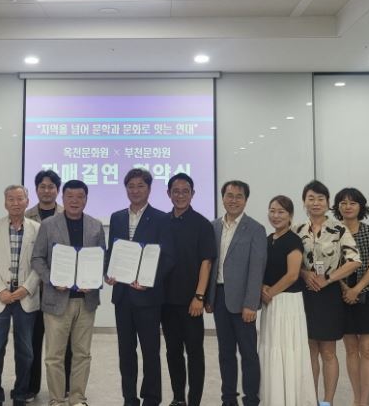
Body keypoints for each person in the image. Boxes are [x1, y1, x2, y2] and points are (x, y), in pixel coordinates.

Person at [31, 180, 106, 406]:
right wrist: (52, 280)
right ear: (62, 198)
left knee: (82, 353)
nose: (75, 201)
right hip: (56, 300)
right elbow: (37, 258)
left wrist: (94, 279)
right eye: (70, 196)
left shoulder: (95, 226)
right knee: (54, 355)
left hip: (86, 301)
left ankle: (77, 398)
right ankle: (56, 398)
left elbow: (101, 259)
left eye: (80, 196)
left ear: (86, 199)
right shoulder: (49, 225)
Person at [105, 168, 174, 406]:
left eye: (140, 186)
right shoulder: (117, 217)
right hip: (122, 296)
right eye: (131, 186)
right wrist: (108, 273)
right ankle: (129, 398)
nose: (135, 190)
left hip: (148, 297)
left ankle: (152, 399)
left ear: (149, 189)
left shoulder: (162, 218)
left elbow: (168, 258)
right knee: (126, 352)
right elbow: (112, 252)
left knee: (150, 351)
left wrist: (148, 280)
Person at [295, 180, 361, 406]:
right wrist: (305, 273)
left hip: (329, 295)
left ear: (327, 202)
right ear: (304, 202)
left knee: (328, 352)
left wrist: (329, 278)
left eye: (320, 199)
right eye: (311, 198)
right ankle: (310, 399)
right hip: (304, 294)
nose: (316, 203)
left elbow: (354, 261)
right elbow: (290, 262)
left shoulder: (339, 229)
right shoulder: (297, 230)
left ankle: (327, 402)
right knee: (310, 351)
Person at [206, 180, 266, 406]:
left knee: (248, 354)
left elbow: (257, 269)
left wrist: (251, 303)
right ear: (222, 198)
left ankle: (251, 399)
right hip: (219, 298)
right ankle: (228, 399)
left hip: (243, 302)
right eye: (229, 195)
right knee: (225, 353)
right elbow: (210, 263)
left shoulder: (255, 229)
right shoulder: (213, 226)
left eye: (238, 196)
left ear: (246, 200)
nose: (233, 200)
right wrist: (209, 297)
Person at [0, 185, 41, 406]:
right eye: (11, 199)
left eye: (20, 198)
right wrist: (1, 291)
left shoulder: (37, 228)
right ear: (5, 203)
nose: (16, 203)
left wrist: (26, 288)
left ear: (27, 201)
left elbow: (41, 261)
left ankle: (20, 394)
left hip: (25, 297)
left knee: (26, 352)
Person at [161, 173, 216, 406]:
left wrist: (199, 296)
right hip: (166, 301)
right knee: (172, 352)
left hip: (191, 301)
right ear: (169, 194)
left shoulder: (202, 224)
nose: (180, 195)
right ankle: (178, 398)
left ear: (193, 194)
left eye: (185, 191)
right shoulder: (162, 222)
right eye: (176, 191)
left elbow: (206, 262)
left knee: (194, 354)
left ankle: (194, 401)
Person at [259, 195, 316, 406]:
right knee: (271, 347)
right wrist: (262, 288)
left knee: (287, 350)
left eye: (281, 212)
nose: (276, 216)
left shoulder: (293, 241)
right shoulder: (268, 239)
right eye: (272, 211)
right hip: (271, 302)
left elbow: (292, 275)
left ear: (290, 215)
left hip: (288, 303)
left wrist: (270, 293)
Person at [332, 188, 369, 406]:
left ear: (361, 207)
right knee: (351, 349)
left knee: (367, 349)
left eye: (353, 203)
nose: (348, 207)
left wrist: (357, 289)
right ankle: (356, 397)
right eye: (343, 203)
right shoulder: (332, 232)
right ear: (337, 207)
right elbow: (331, 266)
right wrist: (346, 288)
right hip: (341, 294)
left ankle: (365, 400)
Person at [25, 169, 70, 401]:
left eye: (51, 186)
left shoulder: (68, 215)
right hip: (33, 290)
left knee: (63, 343)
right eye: (42, 186)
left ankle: (65, 387)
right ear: (36, 189)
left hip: (62, 292)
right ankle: (30, 386)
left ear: (57, 190)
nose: (46, 190)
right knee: (32, 341)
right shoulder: (26, 216)